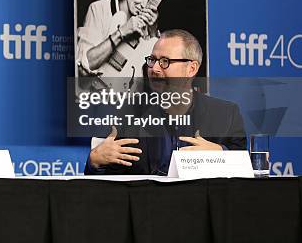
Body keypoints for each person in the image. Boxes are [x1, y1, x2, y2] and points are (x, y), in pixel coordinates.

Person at [85, 29, 247, 175]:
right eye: (152, 60)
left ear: (191, 68)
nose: (154, 68)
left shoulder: (226, 115)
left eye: (165, 61)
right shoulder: (124, 113)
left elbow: (242, 179)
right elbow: (106, 190)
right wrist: (95, 161)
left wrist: (221, 155)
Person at [76, 0, 160, 79]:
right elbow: (84, 66)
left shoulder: (149, 22)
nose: (145, 5)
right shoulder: (99, 9)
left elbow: (153, 72)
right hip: (95, 94)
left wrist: (152, 32)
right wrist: (122, 32)